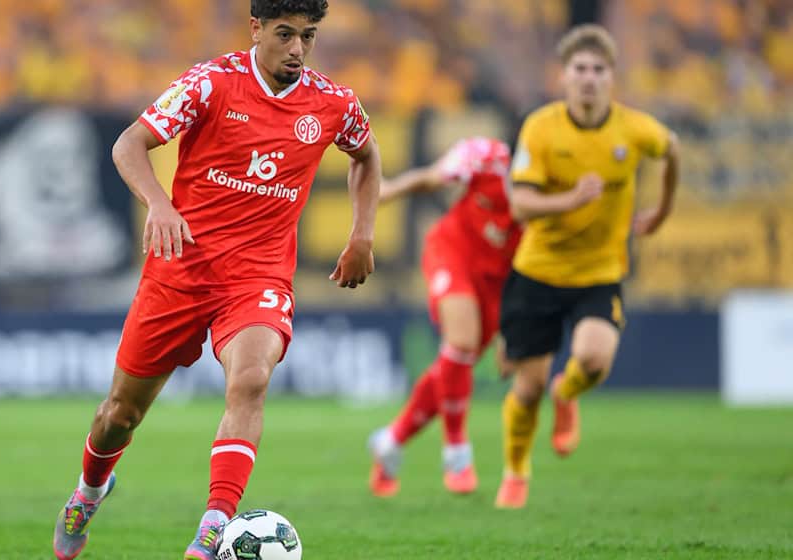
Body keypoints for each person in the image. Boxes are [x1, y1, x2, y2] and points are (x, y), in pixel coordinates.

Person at [51, 1, 381, 559]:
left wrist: (362, 235)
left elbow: (366, 157)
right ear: (256, 29)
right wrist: (158, 204)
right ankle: (89, 491)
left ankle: (214, 528)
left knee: (251, 379)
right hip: (180, 268)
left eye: (308, 36)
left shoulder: (333, 102)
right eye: (285, 34)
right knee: (120, 415)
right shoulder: (211, 83)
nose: (298, 49)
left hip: (257, 275)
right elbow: (129, 143)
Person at [495, 24, 680, 509]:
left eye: (599, 70)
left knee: (595, 360)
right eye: (580, 69)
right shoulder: (541, 127)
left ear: (611, 78)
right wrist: (571, 199)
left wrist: (661, 211)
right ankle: (516, 472)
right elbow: (519, 206)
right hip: (538, 270)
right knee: (527, 388)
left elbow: (672, 149)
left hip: (600, 271)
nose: (589, 79)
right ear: (564, 76)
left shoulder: (635, 129)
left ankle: (568, 392)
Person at [367, 137, 521, 498]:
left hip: (497, 282)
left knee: (454, 365)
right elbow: (433, 178)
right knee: (462, 343)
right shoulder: (487, 157)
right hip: (452, 253)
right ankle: (456, 452)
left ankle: (390, 442)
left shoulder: (555, 192)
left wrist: (512, 332)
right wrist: (389, 191)